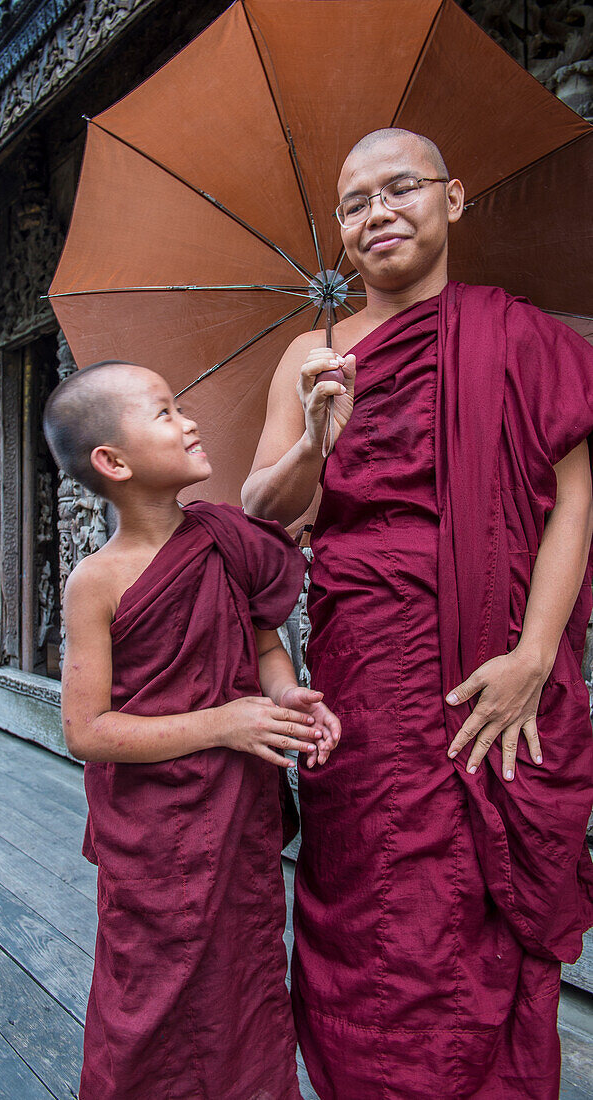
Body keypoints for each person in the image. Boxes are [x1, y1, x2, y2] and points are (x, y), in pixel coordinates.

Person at [242, 128, 593, 1099]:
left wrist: (533, 654)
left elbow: (575, 502)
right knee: (377, 892)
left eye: (400, 188)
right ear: (342, 234)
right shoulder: (308, 359)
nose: (378, 213)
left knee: (483, 909)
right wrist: (317, 435)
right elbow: (265, 511)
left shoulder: (520, 336)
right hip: (372, 671)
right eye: (355, 203)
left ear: (454, 197)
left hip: (501, 665)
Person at [43, 360, 341, 1100]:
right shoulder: (97, 580)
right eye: (165, 412)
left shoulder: (224, 538)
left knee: (242, 983)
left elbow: (266, 644)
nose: (190, 422)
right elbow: (87, 730)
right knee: (151, 999)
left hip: (236, 817)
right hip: (157, 833)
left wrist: (288, 699)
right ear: (113, 462)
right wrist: (226, 721)